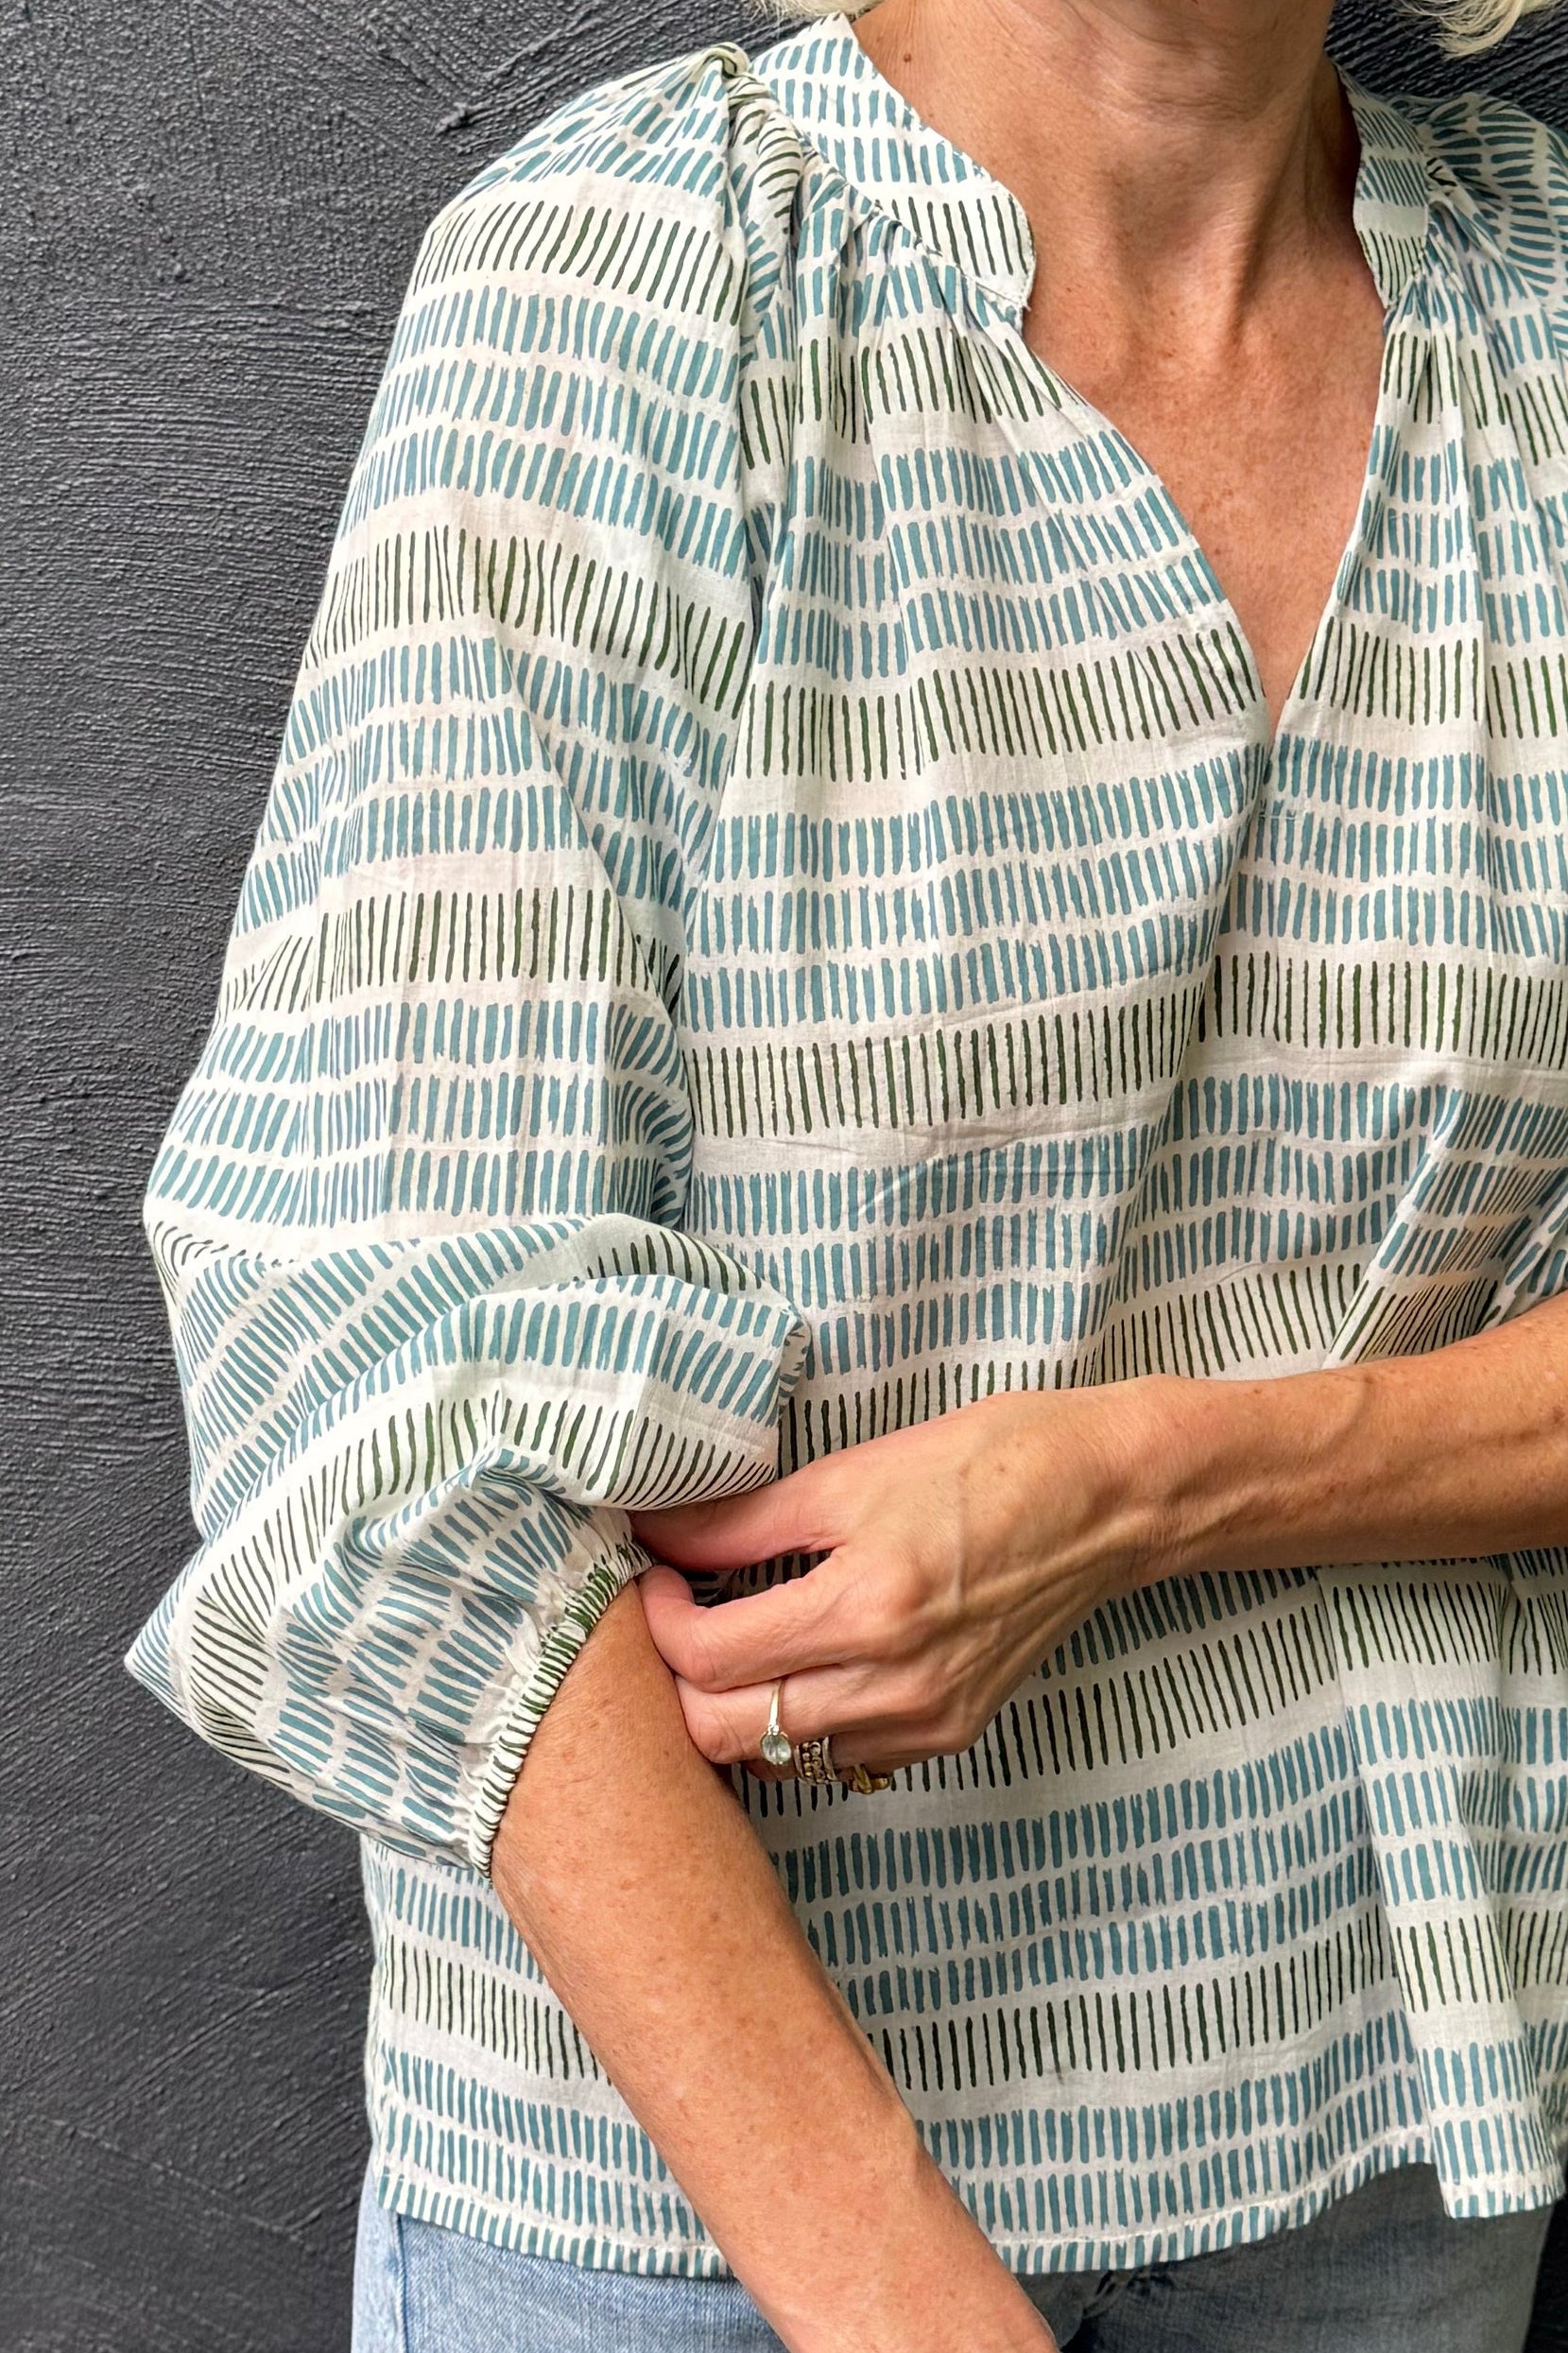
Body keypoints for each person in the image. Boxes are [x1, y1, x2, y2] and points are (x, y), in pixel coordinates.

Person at [126, 0, 1568, 2342]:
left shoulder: (1540, 322)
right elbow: (385, 1380)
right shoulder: (640, 277)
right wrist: (893, 2288)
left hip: (1375, 2154)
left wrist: (1146, 1480)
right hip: (671, 2213)